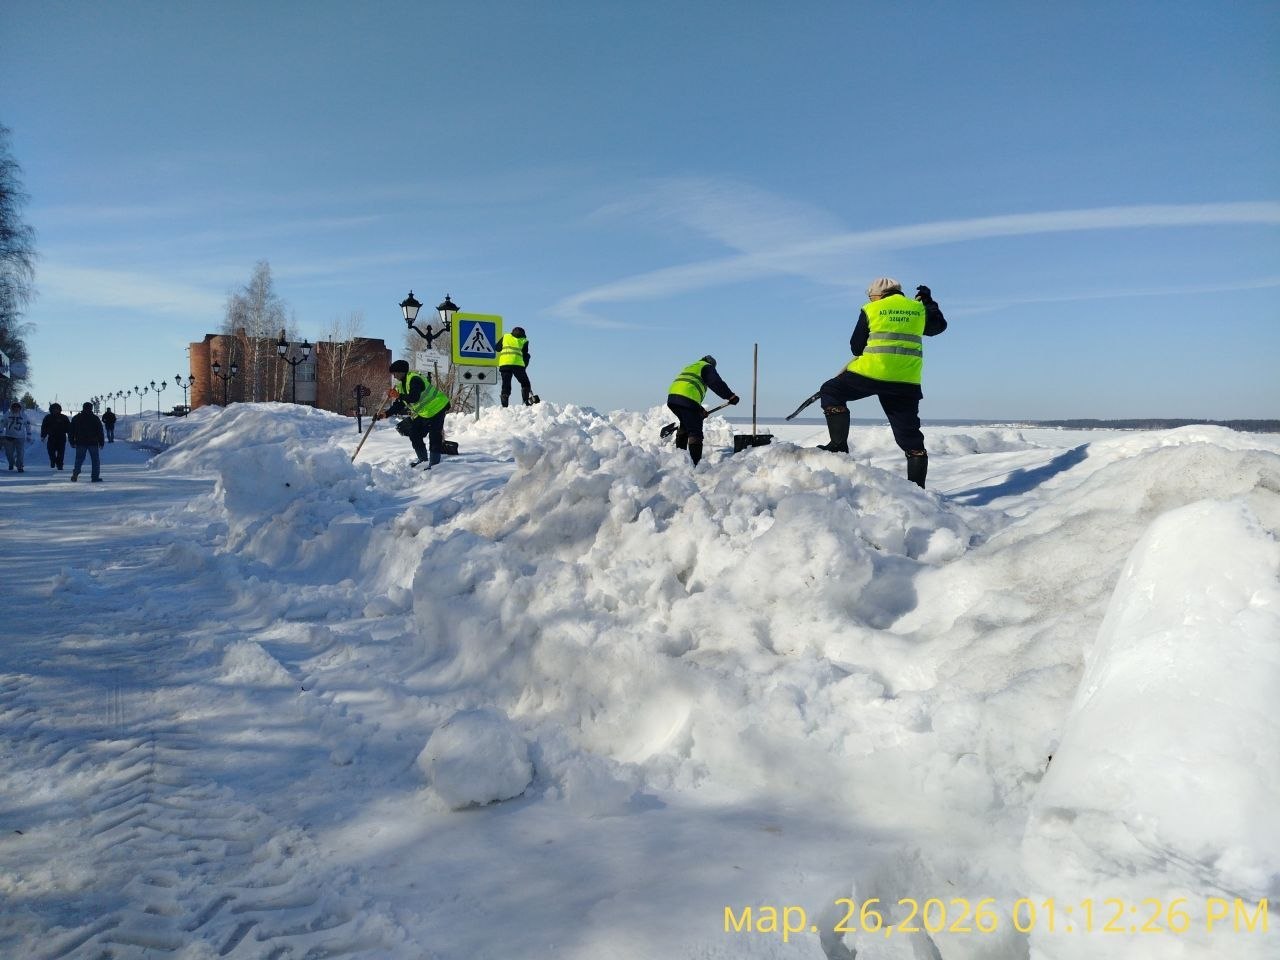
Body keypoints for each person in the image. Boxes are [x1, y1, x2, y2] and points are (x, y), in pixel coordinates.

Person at [816, 278, 947, 488]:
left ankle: (838, 447)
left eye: (871, 297)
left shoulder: (872, 309)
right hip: (906, 382)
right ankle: (918, 491)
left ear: (877, 295)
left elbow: (856, 347)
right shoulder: (918, 309)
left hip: (870, 374)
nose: (871, 300)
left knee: (831, 391)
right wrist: (929, 303)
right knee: (911, 439)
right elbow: (937, 327)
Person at [666, 356, 739, 466]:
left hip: (673, 398)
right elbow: (715, 382)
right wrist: (730, 396)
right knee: (695, 431)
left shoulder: (692, 367)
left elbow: (688, 387)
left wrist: (699, 410)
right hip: (687, 399)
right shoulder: (707, 367)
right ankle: (695, 464)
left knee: (685, 425)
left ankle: (680, 460)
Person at [385, 359, 451, 468]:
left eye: (395, 373)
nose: (394, 376)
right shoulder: (401, 386)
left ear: (401, 372)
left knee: (434, 435)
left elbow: (414, 397)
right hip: (426, 413)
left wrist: (398, 395)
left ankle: (434, 465)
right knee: (414, 432)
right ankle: (423, 460)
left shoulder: (414, 379)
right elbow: (400, 404)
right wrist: (385, 414)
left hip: (438, 407)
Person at [496, 326, 538, 407]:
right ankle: (526, 401)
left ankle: (504, 402)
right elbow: (525, 355)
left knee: (506, 384)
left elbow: (497, 348)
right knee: (525, 383)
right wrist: (524, 366)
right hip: (518, 366)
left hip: (505, 364)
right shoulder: (524, 341)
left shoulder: (506, 337)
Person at [68, 401, 105, 482]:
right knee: (95, 460)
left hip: (80, 442)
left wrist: (71, 441)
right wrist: (101, 442)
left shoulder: (76, 418)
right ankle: (95, 477)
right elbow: (100, 431)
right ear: (91, 408)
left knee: (79, 459)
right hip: (93, 442)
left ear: (83, 408)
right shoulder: (95, 418)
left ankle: (75, 473)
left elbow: (71, 431)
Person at [40, 402, 72, 470]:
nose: (55, 410)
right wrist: (43, 435)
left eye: (57, 409)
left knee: (61, 452)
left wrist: (70, 436)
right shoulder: (48, 417)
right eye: (54, 409)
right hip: (51, 437)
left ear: (59, 409)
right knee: (50, 451)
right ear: (51, 410)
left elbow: (69, 427)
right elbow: (44, 427)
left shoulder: (64, 417)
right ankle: (53, 460)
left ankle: (60, 464)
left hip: (61, 437)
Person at [2, 401, 31, 472]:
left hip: (20, 437)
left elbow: (28, 425)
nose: (16, 408)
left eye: (17, 407)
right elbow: (2, 423)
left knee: (20, 453)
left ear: (20, 408)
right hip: (9, 436)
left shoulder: (24, 416)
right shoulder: (7, 415)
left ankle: (20, 466)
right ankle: (11, 463)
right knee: (9, 453)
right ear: (11, 407)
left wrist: (29, 434)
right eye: (14, 407)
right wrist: (1, 432)